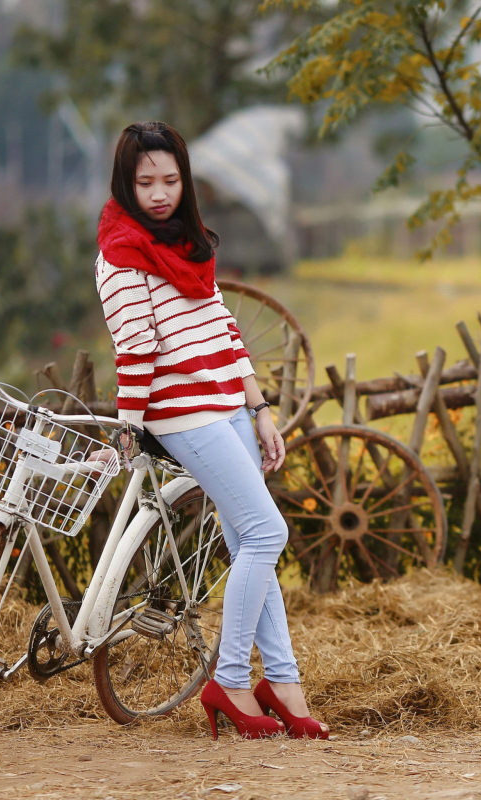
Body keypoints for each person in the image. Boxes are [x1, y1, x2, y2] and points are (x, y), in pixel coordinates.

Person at [95, 121, 328, 741]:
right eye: (145, 182)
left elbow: (224, 327)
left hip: (229, 406)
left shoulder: (189, 242)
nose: (160, 193)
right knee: (267, 532)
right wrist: (130, 423)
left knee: (254, 539)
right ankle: (228, 681)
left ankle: (281, 682)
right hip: (185, 415)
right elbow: (135, 349)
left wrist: (260, 407)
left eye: (171, 179)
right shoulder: (121, 251)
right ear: (126, 183)